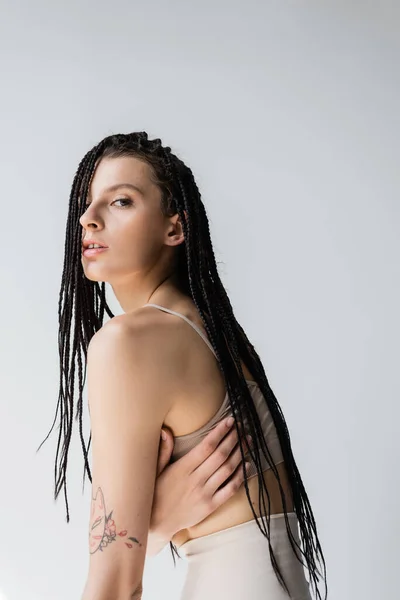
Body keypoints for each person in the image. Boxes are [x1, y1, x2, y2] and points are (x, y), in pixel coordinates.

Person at [38, 132, 327, 600]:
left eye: (121, 202)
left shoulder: (126, 342)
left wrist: (149, 531)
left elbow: (113, 584)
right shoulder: (213, 331)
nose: (89, 220)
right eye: (87, 205)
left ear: (175, 228)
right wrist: (157, 524)